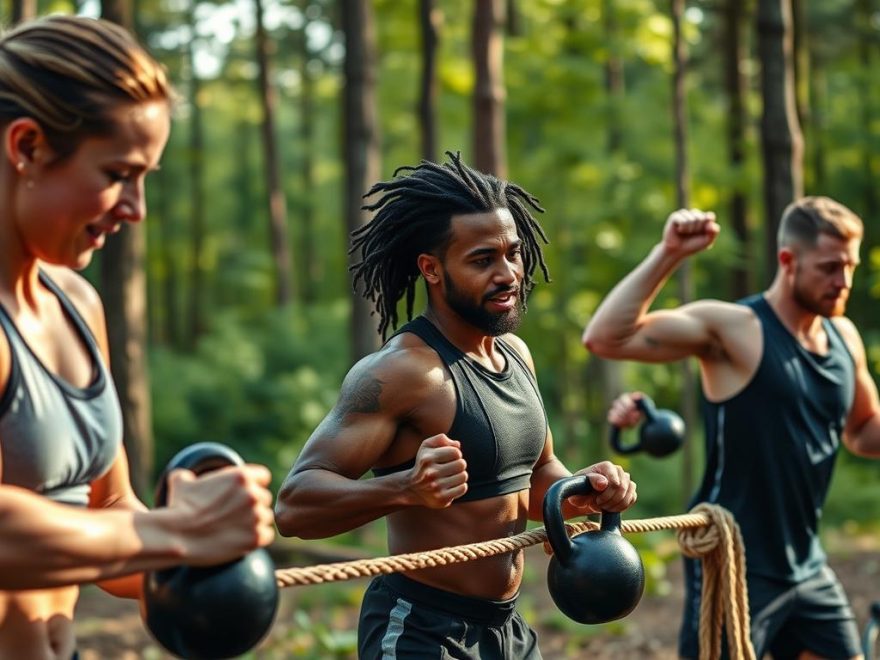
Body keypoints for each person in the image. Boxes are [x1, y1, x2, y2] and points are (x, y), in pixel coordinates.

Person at [274, 152, 638, 659]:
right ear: (432, 269)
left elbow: (535, 483)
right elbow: (293, 506)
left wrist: (589, 489)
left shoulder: (516, 354)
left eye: (512, 253)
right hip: (420, 632)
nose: (508, 273)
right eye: (483, 259)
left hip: (507, 629)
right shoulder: (402, 373)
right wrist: (406, 487)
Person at [0, 14, 275, 655]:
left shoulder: (76, 303)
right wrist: (179, 533)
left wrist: (211, 559)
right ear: (28, 146)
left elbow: (108, 511)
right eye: (118, 174)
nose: (136, 208)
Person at [583, 200, 880, 659]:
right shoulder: (737, 329)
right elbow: (605, 337)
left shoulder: (844, 336)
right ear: (788, 261)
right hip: (734, 562)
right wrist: (669, 253)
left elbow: (862, 432)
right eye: (830, 267)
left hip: (807, 564)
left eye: (850, 266)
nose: (844, 281)